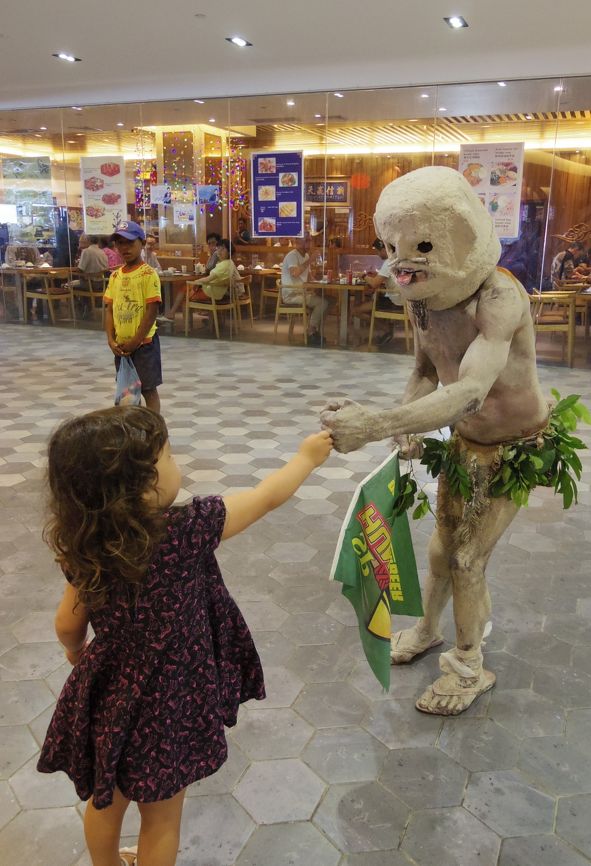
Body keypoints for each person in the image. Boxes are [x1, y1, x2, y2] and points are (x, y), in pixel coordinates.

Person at [37, 404, 333, 866]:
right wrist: (306, 458)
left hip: (113, 692)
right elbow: (265, 497)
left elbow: (66, 624)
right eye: (169, 457)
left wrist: (77, 654)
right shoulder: (187, 530)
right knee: (162, 818)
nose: (178, 464)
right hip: (172, 698)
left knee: (105, 799)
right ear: (140, 486)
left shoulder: (87, 543)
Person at [321, 166, 559, 717]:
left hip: (514, 446)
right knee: (439, 552)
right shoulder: (421, 297)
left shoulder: (498, 297)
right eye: (392, 246)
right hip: (464, 443)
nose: (402, 260)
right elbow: (427, 371)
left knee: (468, 558)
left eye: (422, 245)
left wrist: (377, 423)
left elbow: (473, 388)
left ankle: (471, 665)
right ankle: (429, 629)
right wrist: (405, 421)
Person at [104, 221, 163, 414]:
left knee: (148, 389)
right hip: (121, 347)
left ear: (142, 243)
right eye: (119, 243)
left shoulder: (148, 274)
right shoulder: (115, 276)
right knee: (128, 391)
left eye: (130, 242)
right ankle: (133, 431)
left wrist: (135, 341)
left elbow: (151, 311)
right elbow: (109, 309)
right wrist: (111, 340)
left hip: (144, 345)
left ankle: (156, 429)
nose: (124, 248)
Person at [158, 238, 242, 323]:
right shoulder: (229, 263)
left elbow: (208, 278)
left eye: (223, 249)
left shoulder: (223, 265)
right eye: (219, 248)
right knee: (186, 288)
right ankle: (171, 314)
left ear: (229, 250)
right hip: (218, 292)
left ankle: (179, 321)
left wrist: (195, 282)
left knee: (185, 294)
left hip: (211, 292)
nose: (219, 251)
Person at [350, 238, 404, 346]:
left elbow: (374, 283)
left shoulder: (389, 262)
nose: (377, 253)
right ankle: (386, 330)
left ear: (385, 249)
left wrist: (363, 276)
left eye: (378, 251)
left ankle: (386, 330)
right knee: (369, 301)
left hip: (394, 301)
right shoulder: (398, 260)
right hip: (401, 299)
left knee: (355, 310)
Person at [281, 234, 329, 346]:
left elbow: (309, 278)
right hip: (291, 294)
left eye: (310, 241)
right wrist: (310, 260)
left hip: (302, 292)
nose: (309, 243)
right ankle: (311, 332)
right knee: (322, 303)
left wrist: (322, 281)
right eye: (306, 241)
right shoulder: (292, 255)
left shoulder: (306, 256)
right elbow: (295, 273)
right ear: (298, 242)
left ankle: (314, 330)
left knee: (329, 301)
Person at [70, 235, 109, 318]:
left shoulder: (86, 251)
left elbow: (80, 269)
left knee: (68, 286)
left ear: (88, 241)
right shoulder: (102, 252)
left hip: (91, 284)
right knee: (81, 284)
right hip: (103, 284)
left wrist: (74, 271)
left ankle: (80, 310)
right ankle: (87, 309)